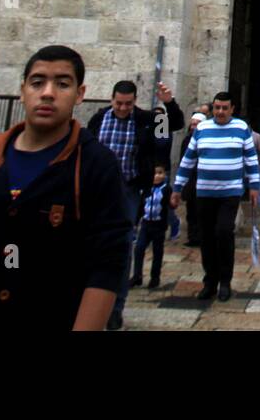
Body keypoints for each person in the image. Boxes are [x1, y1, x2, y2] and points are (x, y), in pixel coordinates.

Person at [0, 45, 130, 331]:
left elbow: (107, 264)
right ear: (23, 90)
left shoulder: (96, 165)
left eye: (62, 83)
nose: (47, 92)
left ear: (80, 94)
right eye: (38, 82)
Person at [86, 77, 186, 330]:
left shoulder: (144, 121)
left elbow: (174, 125)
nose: (122, 108)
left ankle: (115, 307)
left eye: (127, 104)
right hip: (97, 190)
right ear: (112, 100)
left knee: (122, 245)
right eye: (119, 103)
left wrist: (169, 103)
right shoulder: (99, 119)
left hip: (128, 190)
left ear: (134, 102)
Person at [172, 92, 260, 302]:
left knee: (223, 232)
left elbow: (251, 159)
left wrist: (255, 186)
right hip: (204, 192)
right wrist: (177, 188)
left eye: (224, 108)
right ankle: (210, 280)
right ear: (213, 109)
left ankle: (225, 281)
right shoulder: (202, 129)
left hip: (230, 192)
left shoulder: (241, 128)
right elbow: (188, 160)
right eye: (217, 107)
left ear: (232, 109)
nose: (220, 112)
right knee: (207, 237)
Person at [132, 164, 172, 289]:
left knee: (157, 251)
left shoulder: (166, 189)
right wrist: (135, 221)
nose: (157, 176)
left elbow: (168, 207)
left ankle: (155, 277)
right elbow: (140, 206)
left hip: (158, 225)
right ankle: (137, 275)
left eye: (160, 173)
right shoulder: (145, 189)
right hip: (146, 223)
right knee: (139, 249)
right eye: (155, 173)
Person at [179, 111, 207, 246]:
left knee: (201, 211)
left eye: (197, 124)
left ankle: (201, 236)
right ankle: (192, 237)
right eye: (193, 124)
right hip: (190, 180)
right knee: (191, 211)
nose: (194, 126)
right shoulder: (187, 139)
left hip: (202, 179)